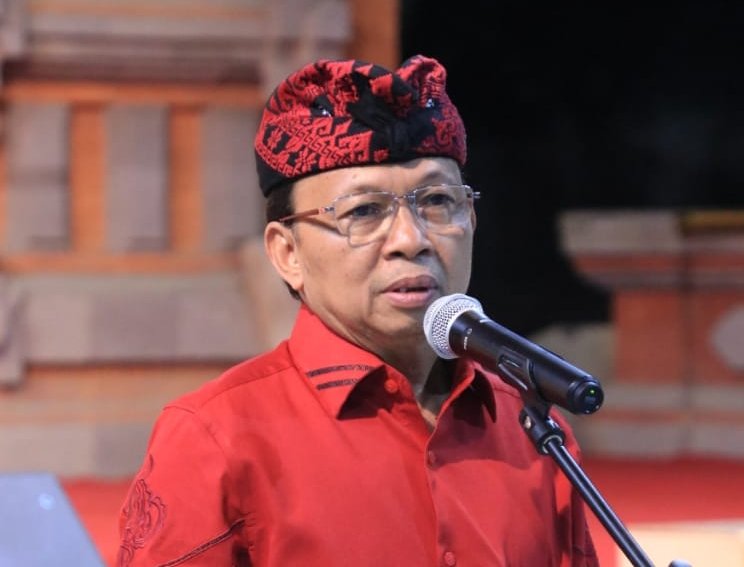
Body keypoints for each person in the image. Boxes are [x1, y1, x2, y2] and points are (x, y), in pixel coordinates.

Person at [116, 54, 600, 566]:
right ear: (288, 253)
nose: (412, 239)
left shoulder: (529, 426)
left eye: (438, 201)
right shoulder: (216, 436)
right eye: (364, 211)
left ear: (472, 220)